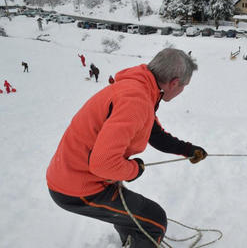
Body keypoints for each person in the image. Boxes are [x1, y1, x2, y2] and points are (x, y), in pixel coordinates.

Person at [46, 48, 208, 248]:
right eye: (184, 86)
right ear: (174, 83)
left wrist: (188, 150)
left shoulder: (139, 89)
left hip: (72, 175)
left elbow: (154, 134)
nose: (182, 90)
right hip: (76, 187)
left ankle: (132, 242)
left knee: (140, 218)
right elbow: (103, 163)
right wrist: (134, 170)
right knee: (154, 220)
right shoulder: (136, 100)